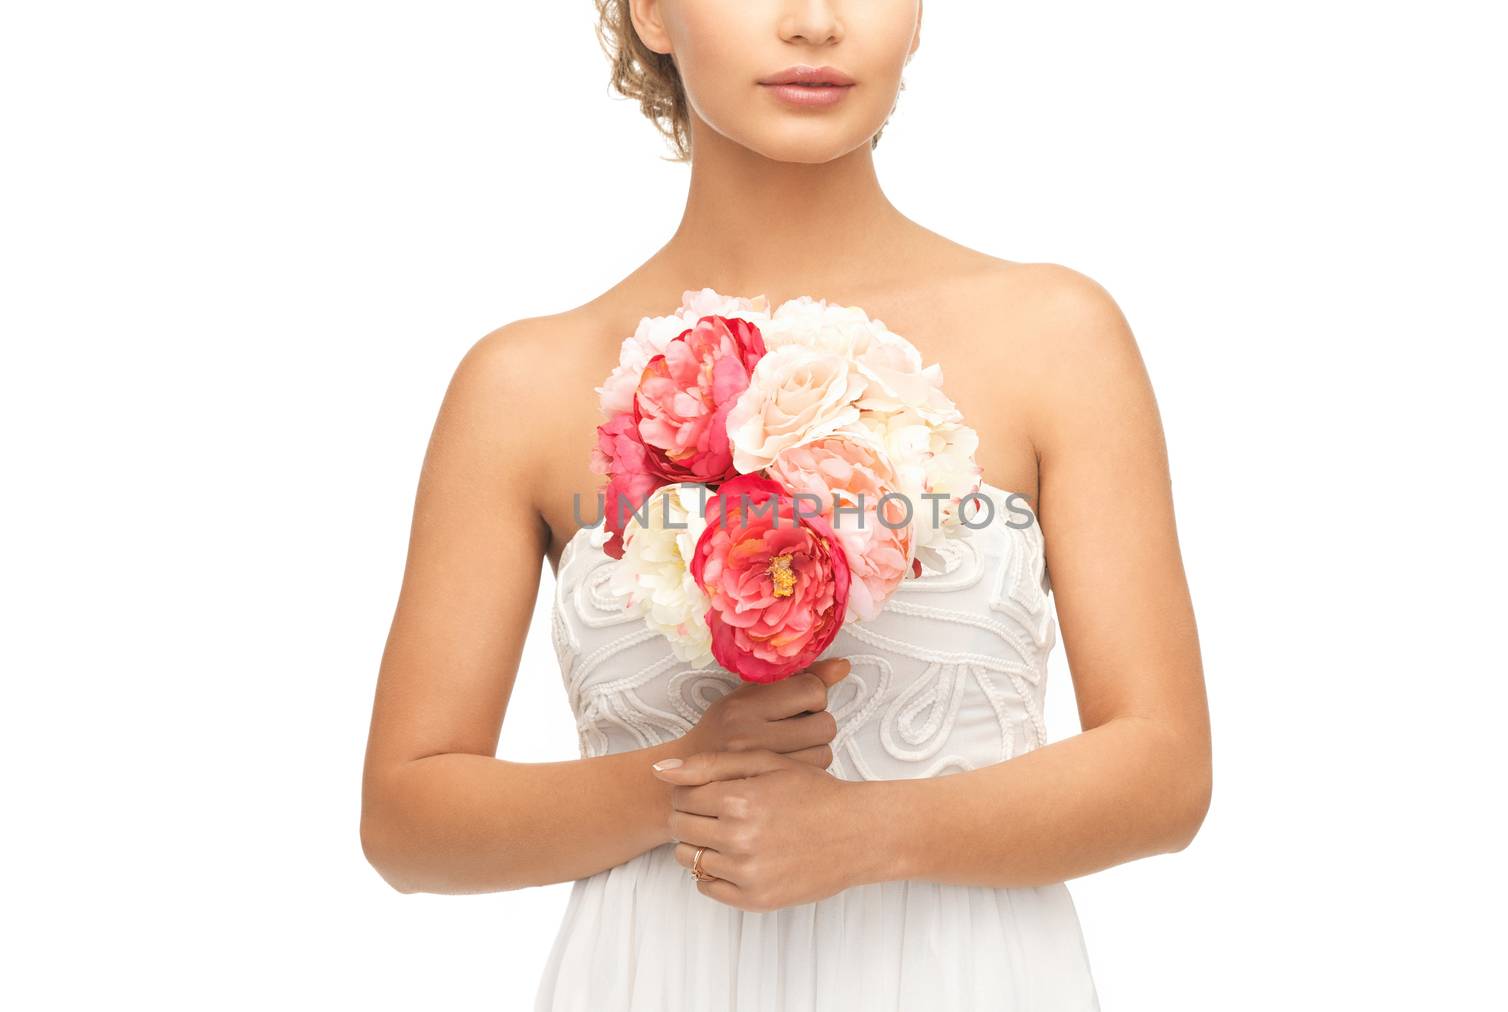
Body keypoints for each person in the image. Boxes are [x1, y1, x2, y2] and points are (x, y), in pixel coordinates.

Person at [360, 1, 1211, 1008]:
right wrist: (682, 783)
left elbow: (1163, 769)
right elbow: (407, 819)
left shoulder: (1057, 334)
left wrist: (872, 831)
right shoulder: (523, 383)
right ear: (651, 15)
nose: (815, 23)